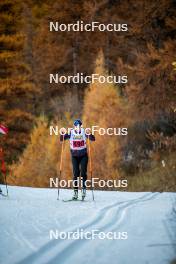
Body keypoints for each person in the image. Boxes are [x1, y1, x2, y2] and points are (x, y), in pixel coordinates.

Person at [60, 119, 95, 200]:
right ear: (74, 126)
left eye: (79, 126)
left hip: (83, 156)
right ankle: (75, 192)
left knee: (83, 173)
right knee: (76, 174)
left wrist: (90, 134)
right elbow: (62, 139)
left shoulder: (84, 132)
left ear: (81, 126)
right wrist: (62, 134)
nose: (77, 127)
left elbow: (93, 139)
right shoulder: (71, 132)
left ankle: (83, 189)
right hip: (74, 156)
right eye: (76, 126)